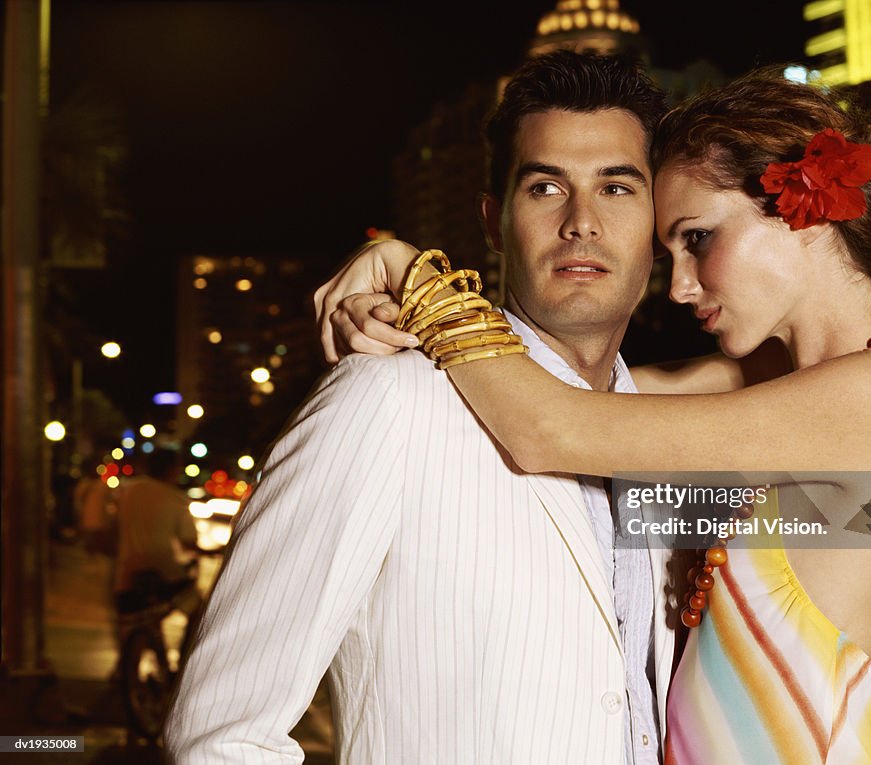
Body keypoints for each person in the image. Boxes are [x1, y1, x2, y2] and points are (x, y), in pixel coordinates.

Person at [315, 66, 871, 764]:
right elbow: (562, 381)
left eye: (699, 238)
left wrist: (418, 278)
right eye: (670, 251)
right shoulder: (768, 385)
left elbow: (553, 425)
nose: (680, 285)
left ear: (804, 214)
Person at [165, 51, 677, 764]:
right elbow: (221, 733)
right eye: (545, 188)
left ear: (659, 221)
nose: (581, 221)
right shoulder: (385, 402)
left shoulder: (669, 434)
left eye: (617, 188)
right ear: (495, 221)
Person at [112, 447, 203, 639]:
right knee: (199, 613)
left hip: (127, 573)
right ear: (173, 469)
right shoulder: (176, 498)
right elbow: (188, 541)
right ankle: (185, 662)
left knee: (126, 621)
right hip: (163, 572)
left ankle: (125, 662)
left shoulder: (127, 490)